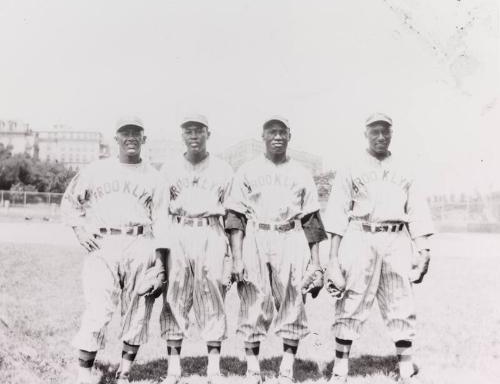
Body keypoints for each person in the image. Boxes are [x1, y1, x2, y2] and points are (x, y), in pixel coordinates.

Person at [323, 113, 434, 383]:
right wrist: (333, 260)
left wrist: (423, 249)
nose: (381, 136)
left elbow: (417, 209)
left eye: (385, 131)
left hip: (397, 237)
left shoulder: (406, 166)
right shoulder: (351, 166)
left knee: (401, 300)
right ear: (365, 134)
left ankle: (406, 368)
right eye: (375, 131)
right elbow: (338, 212)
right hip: (360, 235)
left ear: (392, 133)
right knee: (351, 299)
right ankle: (340, 367)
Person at [61, 117, 167, 384]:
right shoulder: (96, 169)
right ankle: (84, 373)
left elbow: (163, 223)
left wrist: (161, 265)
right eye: (125, 133)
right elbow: (70, 201)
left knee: (140, 307)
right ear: (116, 138)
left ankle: (125, 372)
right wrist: (79, 230)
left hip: (141, 242)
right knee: (98, 307)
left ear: (144, 139)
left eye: (136, 133)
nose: (130, 137)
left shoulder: (155, 176)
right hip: (103, 242)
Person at [225, 116, 327, 384]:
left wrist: (315, 264)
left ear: (290, 136)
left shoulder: (301, 172)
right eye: (272, 132)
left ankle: (286, 367)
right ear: (263, 136)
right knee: (252, 300)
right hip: (256, 236)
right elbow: (235, 217)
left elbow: (311, 220)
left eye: (282, 132)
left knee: (293, 300)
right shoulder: (247, 170)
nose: (277, 136)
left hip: (290, 236)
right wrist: (236, 258)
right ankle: (252, 368)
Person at [157, 115, 234, 384]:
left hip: (211, 230)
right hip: (179, 229)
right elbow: (160, 213)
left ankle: (213, 368)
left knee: (212, 292)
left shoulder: (223, 168)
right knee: (175, 293)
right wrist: (160, 254)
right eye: (188, 130)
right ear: (182, 135)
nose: (194, 135)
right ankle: (173, 368)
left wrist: (231, 256)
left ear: (208, 134)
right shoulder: (168, 168)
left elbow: (233, 215)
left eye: (199, 130)